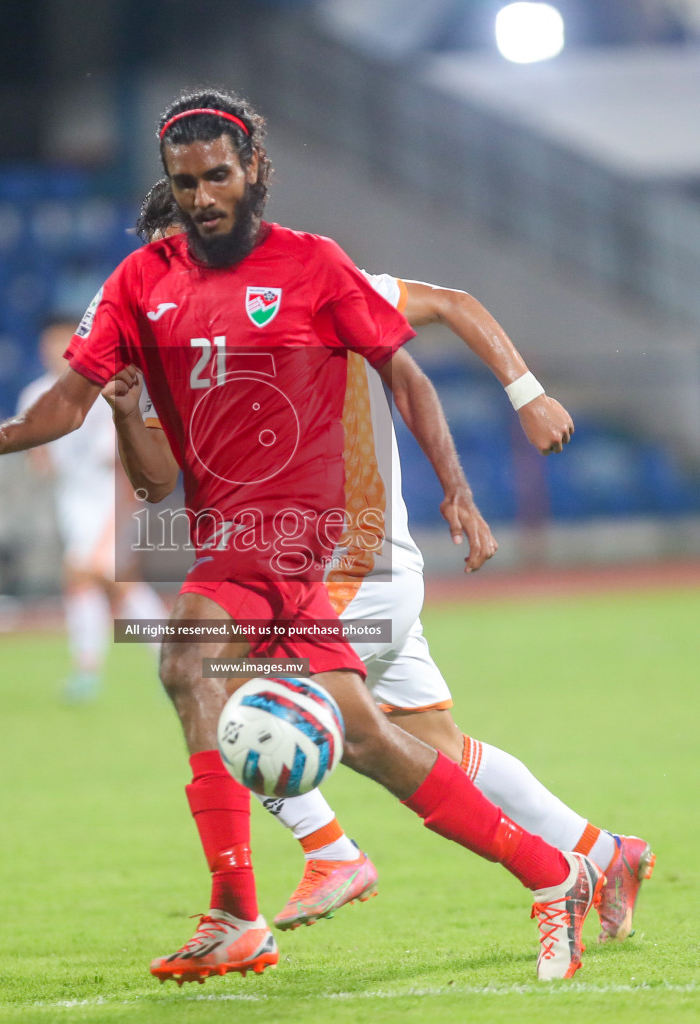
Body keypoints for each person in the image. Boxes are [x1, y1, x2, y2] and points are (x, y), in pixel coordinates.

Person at [0, 89, 601, 983]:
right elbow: (95, 426)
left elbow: (405, 374)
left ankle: (236, 911)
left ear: (253, 168)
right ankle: (555, 871)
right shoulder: (141, 284)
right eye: (185, 182)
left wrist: (457, 489)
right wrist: (6, 435)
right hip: (243, 539)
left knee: (186, 658)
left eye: (218, 175)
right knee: (369, 736)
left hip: (294, 535)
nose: (203, 195)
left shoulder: (314, 266)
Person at [124, 181, 655, 943]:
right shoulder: (181, 345)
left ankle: (329, 851)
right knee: (438, 746)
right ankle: (607, 854)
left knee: (231, 692)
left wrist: (527, 393)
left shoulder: (311, 289)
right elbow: (157, 478)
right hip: (313, 571)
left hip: (353, 565)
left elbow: (453, 303)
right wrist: (124, 406)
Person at [17, 317, 170, 702]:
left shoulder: (107, 390)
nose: (57, 351)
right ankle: (163, 655)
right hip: (73, 503)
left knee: (88, 574)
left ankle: (94, 668)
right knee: (109, 585)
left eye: (64, 342)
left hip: (111, 499)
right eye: (50, 343)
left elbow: (125, 459)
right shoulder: (35, 394)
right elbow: (40, 457)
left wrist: (122, 515)